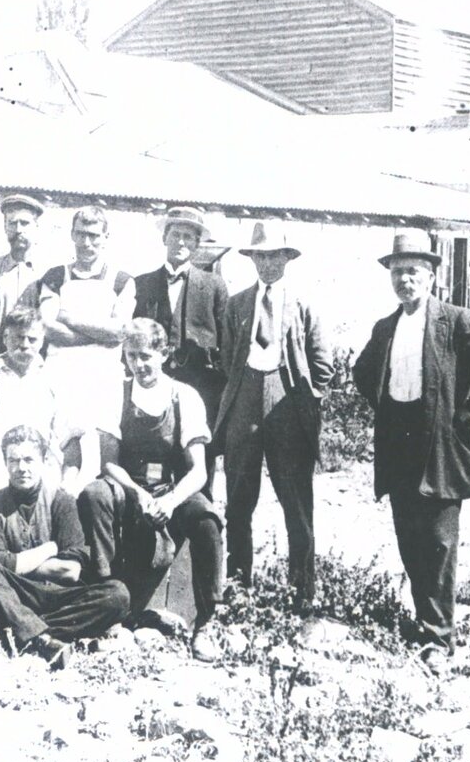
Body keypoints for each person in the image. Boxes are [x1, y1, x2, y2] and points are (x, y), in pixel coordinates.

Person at [351, 231, 470, 673]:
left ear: (431, 277)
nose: (405, 280)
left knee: (438, 542)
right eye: (397, 272)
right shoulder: (385, 327)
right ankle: (424, 621)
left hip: (440, 445)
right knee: (408, 537)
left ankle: (439, 639)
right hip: (399, 442)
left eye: (413, 271)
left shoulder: (456, 321)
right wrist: (388, 407)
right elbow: (363, 372)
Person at [77, 319, 227, 662]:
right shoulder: (116, 393)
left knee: (206, 518)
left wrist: (171, 501)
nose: (139, 364)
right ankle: (109, 609)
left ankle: (206, 622)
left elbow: (199, 471)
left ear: (163, 353)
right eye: (132, 356)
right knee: (94, 495)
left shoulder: (184, 396)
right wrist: (137, 493)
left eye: (146, 355)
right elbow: (109, 463)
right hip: (128, 488)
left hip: (172, 489)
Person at [213, 220, 332, 613]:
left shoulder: (304, 304)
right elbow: (228, 357)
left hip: (288, 405)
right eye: (259, 257)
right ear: (252, 260)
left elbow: (323, 364)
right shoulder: (236, 304)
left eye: (273, 256)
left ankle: (302, 590)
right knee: (238, 499)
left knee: (296, 501)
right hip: (244, 400)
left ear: (287, 258)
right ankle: (238, 585)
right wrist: (244, 391)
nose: (266, 264)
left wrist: (305, 401)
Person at [0, 425, 132, 668]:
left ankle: (22, 630)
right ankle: (41, 638)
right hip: (14, 592)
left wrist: (15, 563)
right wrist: (49, 549)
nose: (22, 468)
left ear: (43, 461)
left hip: (57, 596)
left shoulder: (62, 502)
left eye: (29, 460)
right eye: (14, 460)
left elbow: (70, 571)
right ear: (5, 463)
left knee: (117, 595)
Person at [0, 307, 93, 500]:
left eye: (32, 339)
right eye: (18, 338)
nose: (24, 345)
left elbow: (70, 443)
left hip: (43, 472)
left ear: (42, 340)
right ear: (5, 338)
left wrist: (67, 484)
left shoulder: (57, 380)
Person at [37, 204, 136, 440]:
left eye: (93, 235)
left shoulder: (122, 280)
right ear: (72, 234)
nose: (86, 243)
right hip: (59, 376)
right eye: (81, 234)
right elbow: (48, 328)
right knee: (57, 444)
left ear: (106, 237)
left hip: (102, 378)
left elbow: (119, 331)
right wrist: (101, 335)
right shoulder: (55, 276)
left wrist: (68, 317)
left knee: (101, 444)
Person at [131, 206, 229, 424]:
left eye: (188, 237)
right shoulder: (142, 284)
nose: (181, 242)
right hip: (154, 380)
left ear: (196, 244)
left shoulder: (214, 285)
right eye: (175, 235)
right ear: (164, 238)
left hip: (202, 383)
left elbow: (227, 339)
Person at [0, 193, 49, 368]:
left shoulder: (47, 272)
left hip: (33, 360)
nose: (18, 229)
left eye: (25, 223)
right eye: (12, 223)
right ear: (5, 227)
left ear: (36, 227)